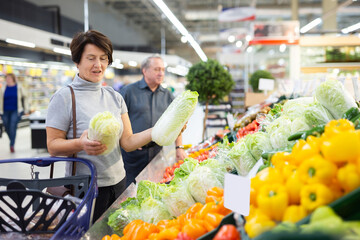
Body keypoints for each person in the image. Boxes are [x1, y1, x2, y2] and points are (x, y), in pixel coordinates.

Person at [45, 30, 157, 222]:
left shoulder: (115, 96)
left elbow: (128, 142)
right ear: (77, 61)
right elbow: (53, 145)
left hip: (119, 182)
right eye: (91, 58)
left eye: (103, 58)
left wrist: (159, 130)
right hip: (86, 187)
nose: (98, 65)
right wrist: (80, 144)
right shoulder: (64, 97)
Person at [120, 55, 187, 187]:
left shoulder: (167, 95)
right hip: (133, 154)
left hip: (157, 152)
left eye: (163, 69)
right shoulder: (128, 92)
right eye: (157, 69)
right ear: (144, 70)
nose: (161, 73)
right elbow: (117, 120)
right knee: (130, 189)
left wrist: (179, 147)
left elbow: (177, 122)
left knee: (155, 186)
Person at [0, 73, 28, 153]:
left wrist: (26, 109)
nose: (8, 80)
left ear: (13, 79)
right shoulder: (3, 88)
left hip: (16, 110)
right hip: (5, 110)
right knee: (6, 127)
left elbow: (25, 97)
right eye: (7, 78)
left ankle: (12, 144)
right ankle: (12, 139)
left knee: (12, 126)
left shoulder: (18, 87)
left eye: (9, 78)